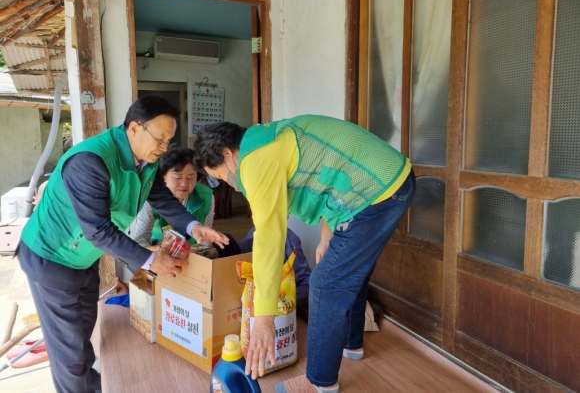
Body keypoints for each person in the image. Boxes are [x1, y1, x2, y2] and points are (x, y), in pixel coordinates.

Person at [16, 96, 228, 393]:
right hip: (51, 257)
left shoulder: (146, 161)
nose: (164, 147)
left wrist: (194, 227)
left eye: (168, 141)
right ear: (134, 128)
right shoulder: (90, 162)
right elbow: (99, 230)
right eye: (160, 139)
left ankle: (88, 383)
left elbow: (161, 197)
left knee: (83, 328)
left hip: (84, 257)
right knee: (67, 348)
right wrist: (152, 261)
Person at [193, 114, 414, 393]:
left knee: (325, 283)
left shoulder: (255, 160)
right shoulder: (268, 140)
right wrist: (327, 237)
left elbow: (269, 238)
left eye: (219, 176)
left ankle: (320, 383)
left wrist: (263, 321)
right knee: (345, 270)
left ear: (227, 153)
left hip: (377, 191)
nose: (227, 182)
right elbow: (330, 183)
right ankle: (351, 343)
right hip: (386, 184)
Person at [133, 147, 241, 257]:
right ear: (162, 177)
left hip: (192, 253)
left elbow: (204, 241)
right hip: (159, 251)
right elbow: (141, 240)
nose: (184, 184)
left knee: (227, 242)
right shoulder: (150, 197)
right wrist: (161, 250)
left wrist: (193, 252)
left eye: (190, 177)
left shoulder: (206, 197)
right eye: (177, 177)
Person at [239, 226, 311, 321]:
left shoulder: (288, 240)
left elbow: (306, 280)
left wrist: (287, 300)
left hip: (283, 304)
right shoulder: (250, 239)